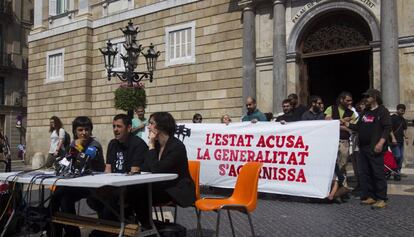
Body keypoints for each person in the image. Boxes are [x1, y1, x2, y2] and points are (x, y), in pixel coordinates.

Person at [131, 112, 196, 228]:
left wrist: (150, 144)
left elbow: (157, 169)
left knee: (138, 193)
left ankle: (148, 227)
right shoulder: (156, 146)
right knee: (129, 191)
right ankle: (136, 225)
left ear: (161, 126)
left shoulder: (177, 147)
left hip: (177, 189)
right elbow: (146, 167)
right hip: (161, 186)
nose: (148, 127)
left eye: (151, 123)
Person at [87, 114, 148, 235]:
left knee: (110, 199)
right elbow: (108, 169)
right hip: (114, 185)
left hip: (132, 187)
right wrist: (103, 185)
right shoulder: (112, 144)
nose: (115, 129)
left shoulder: (138, 144)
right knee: (93, 197)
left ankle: (105, 230)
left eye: (119, 126)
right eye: (114, 126)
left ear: (129, 128)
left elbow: (134, 172)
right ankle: (111, 225)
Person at [50, 116, 105, 237]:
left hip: (94, 185)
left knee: (61, 195)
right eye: (80, 130)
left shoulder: (94, 144)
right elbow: (65, 162)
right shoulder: (72, 145)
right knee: (58, 196)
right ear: (75, 131)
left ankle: (71, 233)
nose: (84, 133)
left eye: (87, 130)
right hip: (78, 183)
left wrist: (77, 146)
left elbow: (84, 159)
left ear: (91, 131)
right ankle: (59, 231)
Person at [345, 89, 391, 209]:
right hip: (363, 147)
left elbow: (387, 128)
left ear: (375, 97)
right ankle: (370, 196)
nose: (365, 98)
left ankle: (381, 198)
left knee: (378, 173)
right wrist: (345, 124)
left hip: (375, 147)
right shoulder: (365, 112)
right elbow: (357, 127)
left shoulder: (382, 111)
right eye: (365, 96)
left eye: (368, 96)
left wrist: (380, 143)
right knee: (366, 173)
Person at [325, 92, 356, 186]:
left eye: (351, 100)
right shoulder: (331, 108)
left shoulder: (352, 113)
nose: (350, 102)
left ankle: (342, 186)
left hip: (344, 141)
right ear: (341, 100)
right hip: (331, 141)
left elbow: (352, 128)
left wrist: (336, 123)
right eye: (347, 100)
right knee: (330, 164)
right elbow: (327, 123)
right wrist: (342, 122)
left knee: (343, 164)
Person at [390, 104, 408, 179]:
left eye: (404, 110)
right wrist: (393, 138)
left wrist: (406, 137)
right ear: (397, 109)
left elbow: (404, 129)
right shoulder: (392, 118)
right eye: (401, 110)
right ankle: (395, 170)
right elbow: (389, 129)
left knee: (400, 158)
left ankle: (397, 173)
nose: (403, 111)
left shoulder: (403, 119)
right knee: (397, 156)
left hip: (401, 140)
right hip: (394, 141)